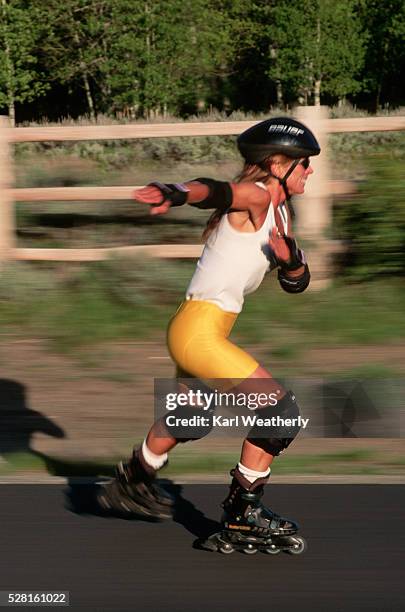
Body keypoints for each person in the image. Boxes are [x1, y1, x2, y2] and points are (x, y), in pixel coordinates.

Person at [98, 116, 320, 554]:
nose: (310, 170)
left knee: (193, 419)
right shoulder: (256, 196)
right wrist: (175, 192)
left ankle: (132, 480)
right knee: (281, 412)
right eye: (305, 163)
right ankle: (242, 513)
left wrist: (291, 258)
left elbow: (297, 282)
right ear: (277, 164)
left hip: (196, 326)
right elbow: (215, 190)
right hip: (199, 331)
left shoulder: (280, 213)